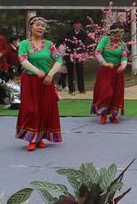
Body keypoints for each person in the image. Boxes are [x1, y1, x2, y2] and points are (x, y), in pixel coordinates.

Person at [16, 16, 63, 151]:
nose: (40, 27)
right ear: (31, 27)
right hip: (30, 81)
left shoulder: (49, 44)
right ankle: (31, 138)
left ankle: (39, 137)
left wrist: (50, 74)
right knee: (31, 109)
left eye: (43, 25)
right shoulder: (24, 44)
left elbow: (59, 60)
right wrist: (36, 71)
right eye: (37, 25)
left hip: (46, 81)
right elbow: (22, 60)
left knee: (45, 108)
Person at [91, 23, 128, 124]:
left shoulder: (123, 45)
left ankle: (113, 115)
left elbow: (124, 57)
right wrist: (104, 63)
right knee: (106, 92)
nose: (118, 38)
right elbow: (97, 52)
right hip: (106, 71)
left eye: (120, 35)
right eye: (116, 35)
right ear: (111, 33)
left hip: (117, 72)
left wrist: (123, 65)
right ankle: (103, 114)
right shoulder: (105, 40)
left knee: (116, 93)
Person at [63, 19, 91, 95]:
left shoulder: (84, 33)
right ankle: (71, 89)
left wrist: (80, 51)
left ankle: (81, 89)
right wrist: (71, 51)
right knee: (70, 72)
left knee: (80, 71)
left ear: (81, 25)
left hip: (80, 54)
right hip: (70, 53)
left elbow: (85, 44)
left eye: (79, 24)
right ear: (73, 25)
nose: (77, 25)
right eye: (76, 24)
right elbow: (66, 42)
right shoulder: (69, 32)